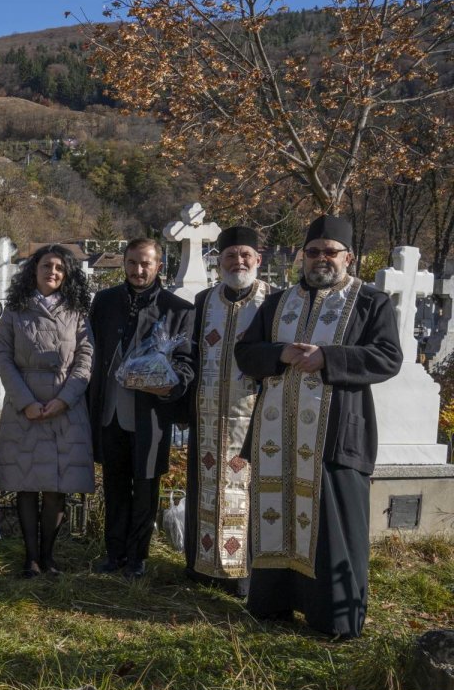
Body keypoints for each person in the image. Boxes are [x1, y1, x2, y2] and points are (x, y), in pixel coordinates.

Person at [235, 215, 401, 638]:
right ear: (302, 256)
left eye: (330, 252)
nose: (320, 259)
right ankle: (272, 603)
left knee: (335, 526)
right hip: (276, 436)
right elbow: (245, 354)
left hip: (337, 436)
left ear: (349, 257)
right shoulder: (277, 303)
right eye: (313, 252)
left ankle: (334, 619)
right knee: (277, 513)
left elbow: (387, 357)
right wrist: (279, 353)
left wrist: (329, 357)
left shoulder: (370, 302)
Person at [88, 237, 194, 579]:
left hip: (150, 415)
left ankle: (137, 557)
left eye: (145, 263)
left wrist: (170, 384)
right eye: (132, 262)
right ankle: (114, 553)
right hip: (111, 410)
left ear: (158, 265)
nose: (138, 270)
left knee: (146, 486)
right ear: (124, 263)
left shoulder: (178, 309)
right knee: (115, 484)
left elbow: (186, 363)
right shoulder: (104, 302)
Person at [0, 244, 95, 578]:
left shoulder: (77, 311)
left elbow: (85, 358)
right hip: (24, 407)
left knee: (56, 486)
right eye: (46, 266)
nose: (53, 272)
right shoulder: (15, 309)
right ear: (33, 270)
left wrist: (64, 400)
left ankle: (49, 557)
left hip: (65, 407)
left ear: (67, 275)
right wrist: (25, 402)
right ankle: (31, 558)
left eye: (59, 268)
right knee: (26, 483)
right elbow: (3, 356)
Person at [184, 226, 271, 596]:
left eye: (245, 255)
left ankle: (242, 576)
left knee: (247, 490)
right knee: (205, 487)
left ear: (258, 259)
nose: (238, 262)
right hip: (207, 413)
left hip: (253, 415)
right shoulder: (205, 300)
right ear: (219, 261)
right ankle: (203, 569)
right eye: (231, 256)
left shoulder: (273, 300)